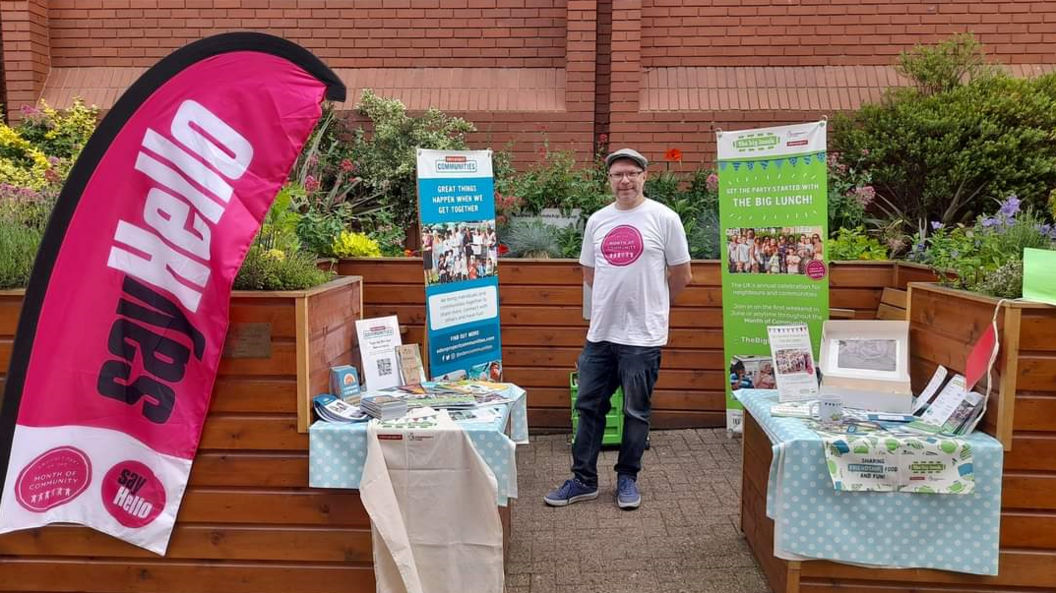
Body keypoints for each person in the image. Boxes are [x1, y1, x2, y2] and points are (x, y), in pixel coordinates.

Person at [544, 148, 692, 511]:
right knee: (589, 406)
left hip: (642, 337)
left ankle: (627, 478)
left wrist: (654, 305)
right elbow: (590, 272)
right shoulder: (598, 220)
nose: (624, 181)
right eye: (617, 175)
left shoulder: (664, 218)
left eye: (631, 173)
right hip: (601, 334)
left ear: (644, 176)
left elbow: (682, 274)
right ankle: (584, 480)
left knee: (636, 411)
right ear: (609, 180)